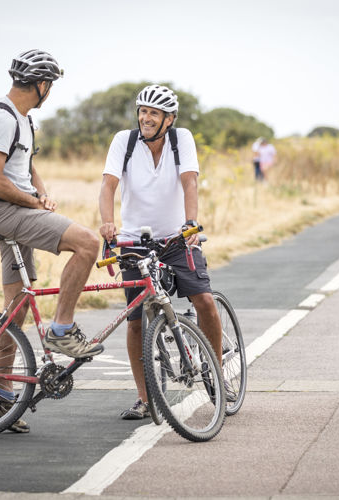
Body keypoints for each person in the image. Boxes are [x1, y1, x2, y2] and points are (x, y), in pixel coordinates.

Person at [0, 49, 103, 433]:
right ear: (41, 85)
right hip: (4, 212)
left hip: (16, 211)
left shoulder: (22, 121)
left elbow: (26, 166)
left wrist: (41, 195)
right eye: (51, 85)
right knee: (87, 243)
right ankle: (62, 330)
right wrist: (33, 204)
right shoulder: (0, 118)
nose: (51, 91)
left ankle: (2, 395)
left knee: (16, 310)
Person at [99, 84, 235, 420]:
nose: (146, 117)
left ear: (168, 119)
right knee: (135, 322)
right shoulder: (124, 142)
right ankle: (145, 398)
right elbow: (107, 185)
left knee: (203, 300)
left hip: (177, 239)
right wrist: (106, 223)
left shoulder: (181, 139)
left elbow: (190, 181)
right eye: (142, 111)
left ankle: (216, 376)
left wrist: (190, 223)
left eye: (153, 113)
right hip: (134, 242)